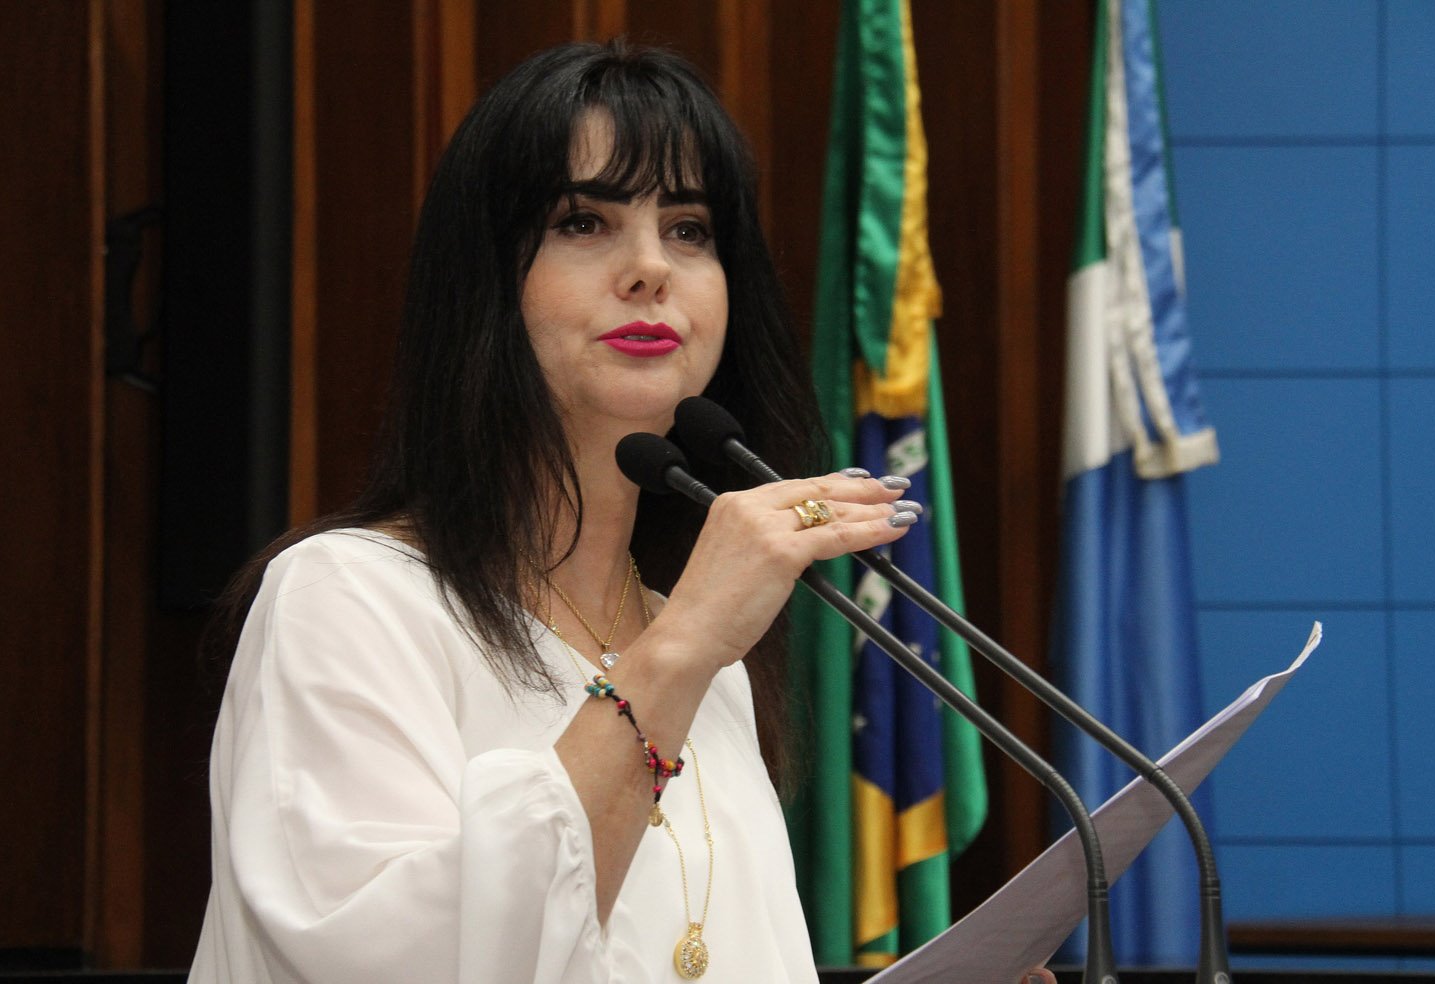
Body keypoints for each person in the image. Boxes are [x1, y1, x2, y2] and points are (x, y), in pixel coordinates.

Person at [190, 41, 1054, 984]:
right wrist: (678, 651)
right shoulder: (346, 600)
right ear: (484, 281)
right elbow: (392, 961)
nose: (650, 268)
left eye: (689, 229)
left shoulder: (701, 654)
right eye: (583, 222)